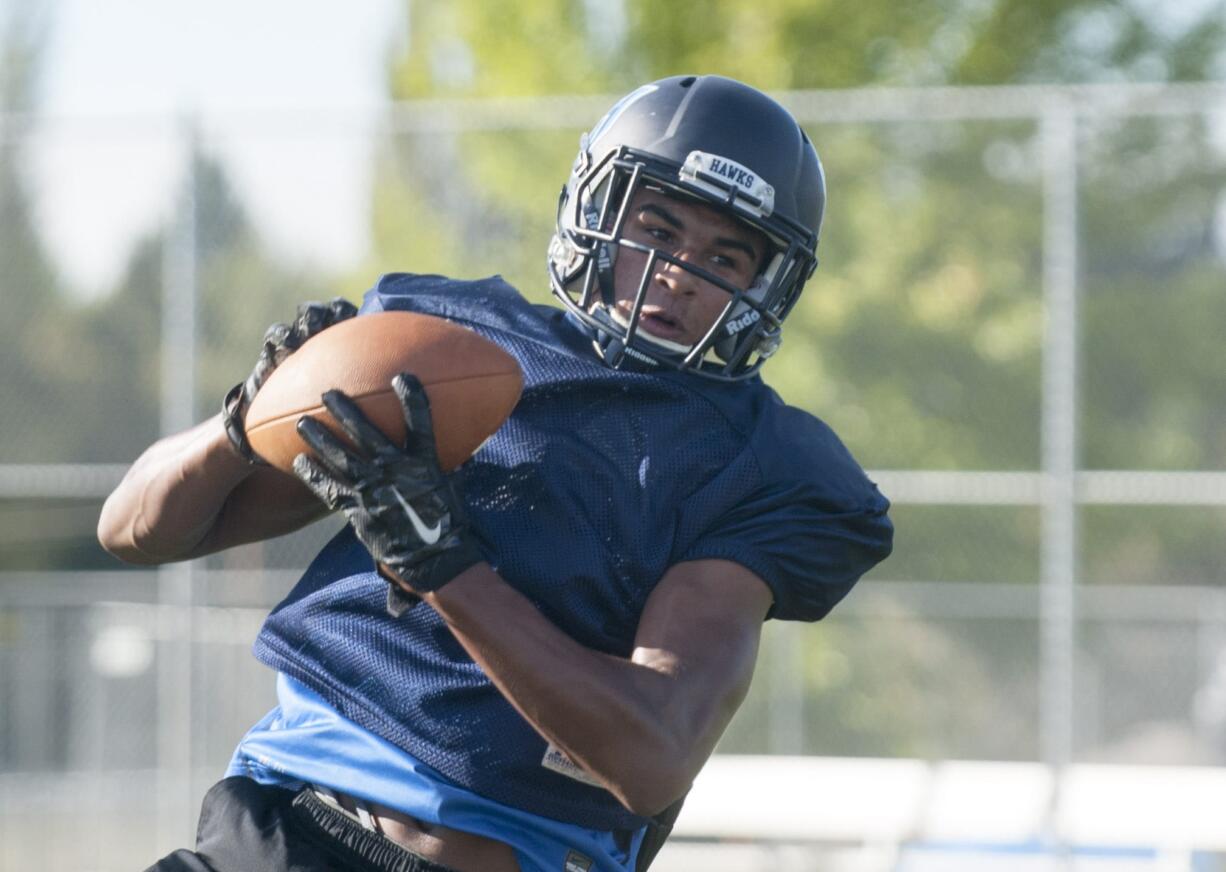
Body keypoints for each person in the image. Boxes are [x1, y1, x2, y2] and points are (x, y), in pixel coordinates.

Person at [98, 74, 893, 872]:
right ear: (597, 212)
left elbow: (652, 754)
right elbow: (133, 530)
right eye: (657, 227)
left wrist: (445, 567)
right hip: (270, 832)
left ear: (765, 286)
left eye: (724, 255)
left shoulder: (758, 462)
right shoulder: (443, 345)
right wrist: (244, 421)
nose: (682, 272)